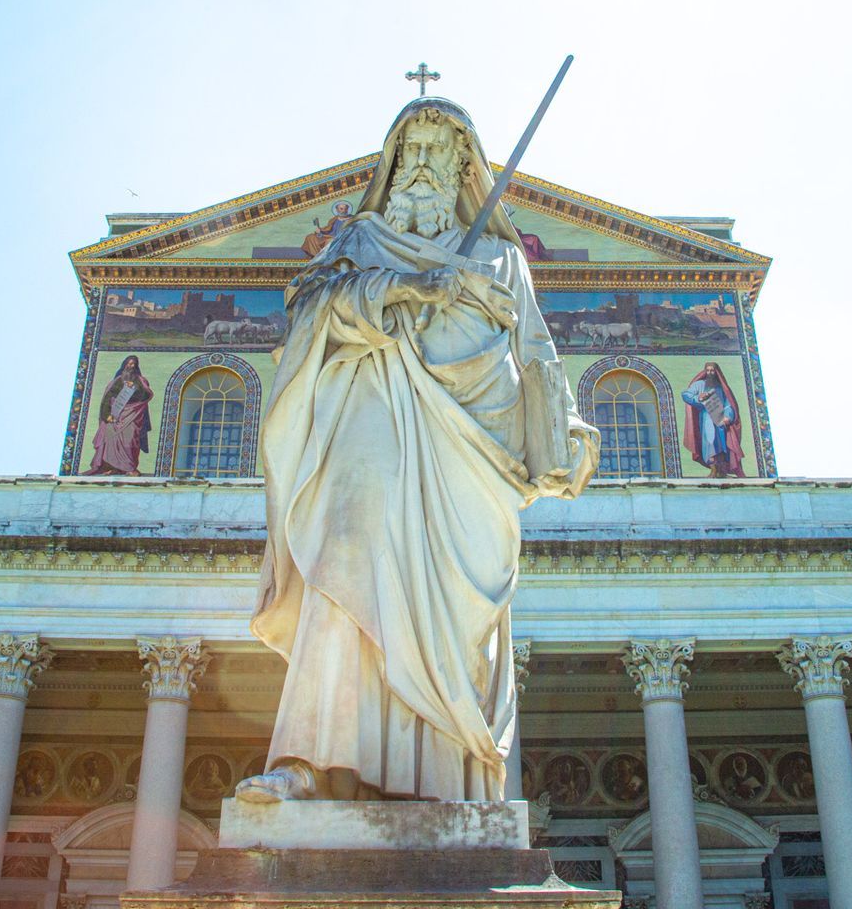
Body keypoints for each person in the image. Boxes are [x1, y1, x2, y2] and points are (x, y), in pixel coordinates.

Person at [237, 98, 600, 805]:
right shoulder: (363, 243)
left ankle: (449, 781)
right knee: (343, 558)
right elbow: (309, 310)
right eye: (415, 152)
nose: (426, 167)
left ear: (466, 169)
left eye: (442, 153)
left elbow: (536, 353)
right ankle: (308, 762)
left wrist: (566, 431)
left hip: (473, 460)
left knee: (459, 627)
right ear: (393, 165)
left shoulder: (500, 258)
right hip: (372, 426)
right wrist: (404, 286)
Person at [89, 355, 152, 475]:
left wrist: (133, 389)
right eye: (128, 363)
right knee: (110, 440)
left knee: (130, 441)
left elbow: (145, 395)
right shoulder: (117, 381)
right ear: (124, 365)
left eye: (133, 364)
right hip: (114, 416)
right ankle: (111, 467)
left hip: (132, 416)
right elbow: (108, 398)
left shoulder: (140, 381)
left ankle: (129, 467)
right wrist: (106, 415)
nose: (130, 366)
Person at [681, 361, 745, 478]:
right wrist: (698, 397)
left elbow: (728, 404)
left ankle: (721, 471)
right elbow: (686, 394)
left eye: (712, 370)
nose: (710, 373)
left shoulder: (721, 388)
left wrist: (728, 417)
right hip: (706, 418)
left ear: (717, 372)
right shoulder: (700, 385)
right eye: (708, 370)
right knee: (709, 442)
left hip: (720, 420)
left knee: (721, 445)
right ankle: (713, 469)